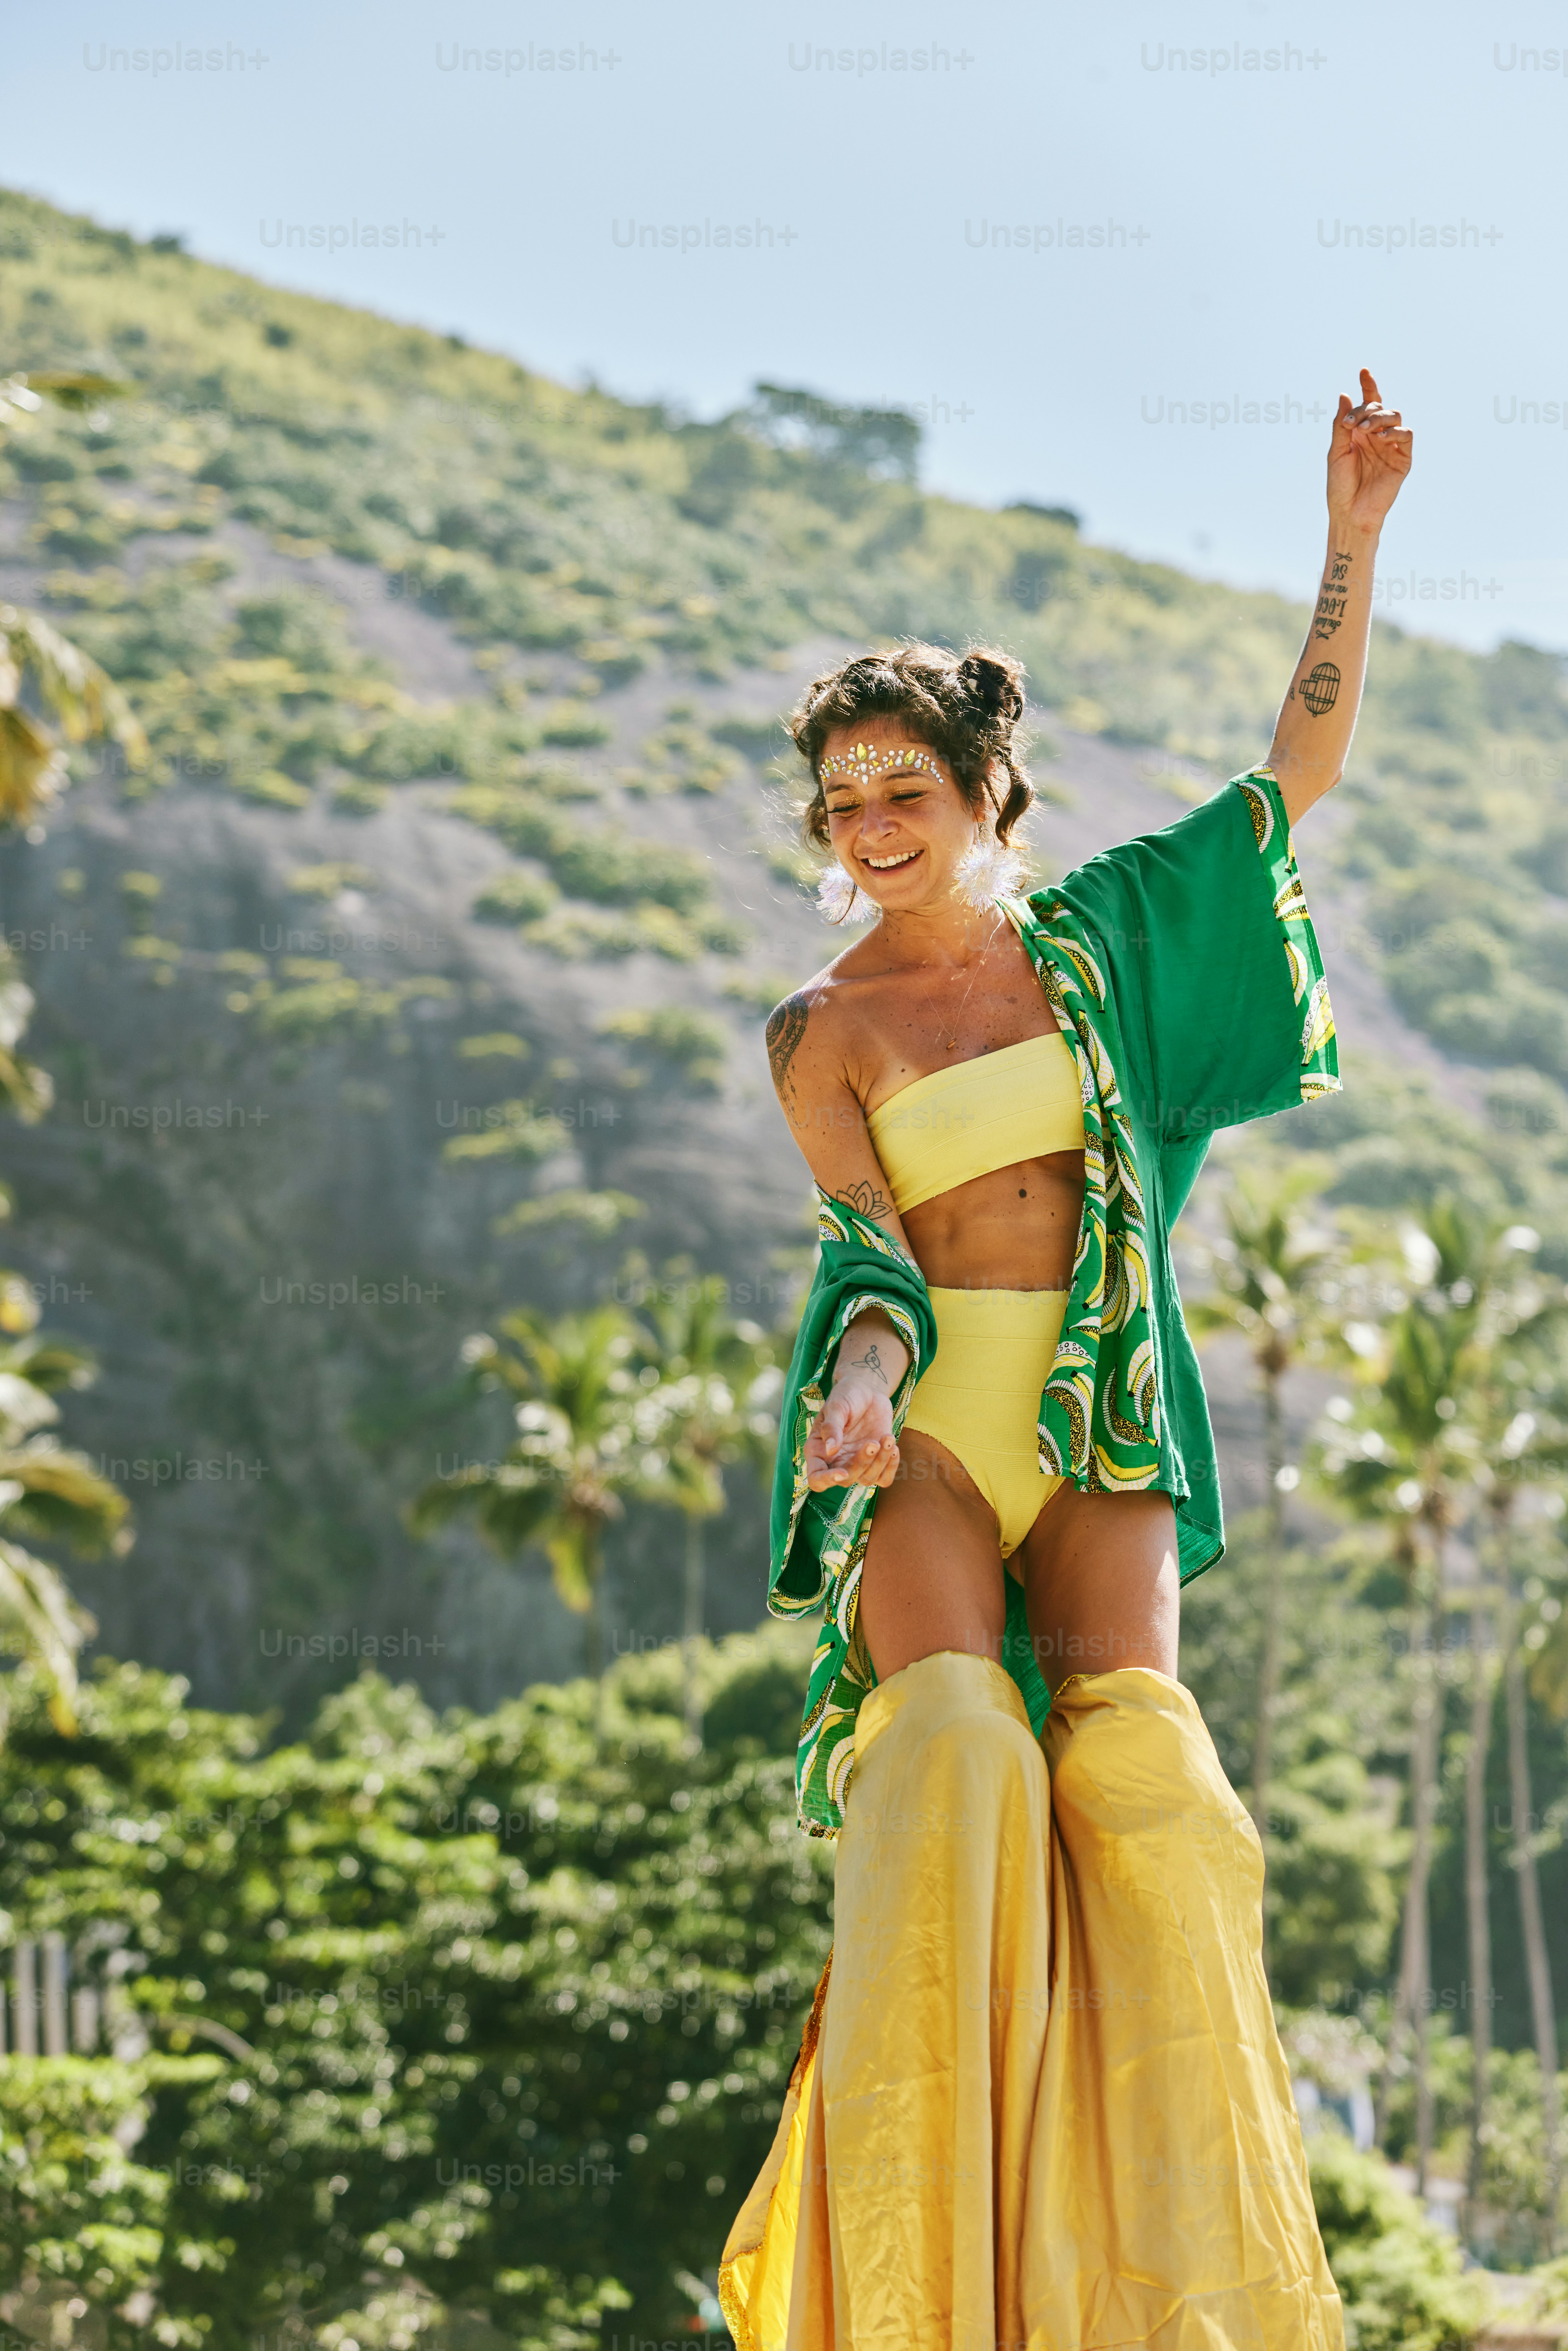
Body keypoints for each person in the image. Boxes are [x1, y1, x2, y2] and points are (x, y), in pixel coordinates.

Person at [719, 372, 1412, 2350]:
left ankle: (1179, 2300)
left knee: (1152, 1790)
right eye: (843, 805)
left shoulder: (1096, 945)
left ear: (981, 798)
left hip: (1099, 1408)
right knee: (948, 1757)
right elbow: (866, 1246)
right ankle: (920, 2297)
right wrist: (859, 1385)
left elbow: (1297, 777)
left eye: (902, 796)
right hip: (924, 1428)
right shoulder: (819, 1023)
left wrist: (1350, 538)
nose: (870, 829)